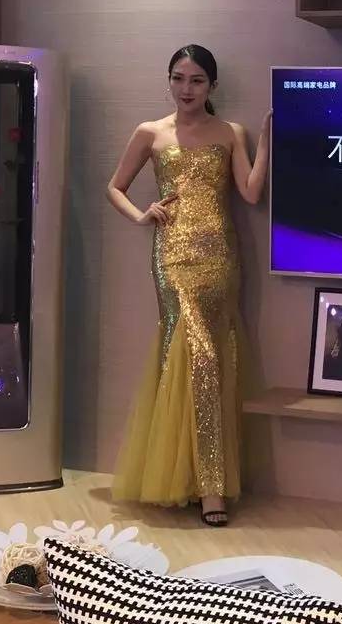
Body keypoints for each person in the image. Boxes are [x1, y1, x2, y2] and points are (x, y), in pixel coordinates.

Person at [107, 44, 270, 526]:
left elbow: (250, 193)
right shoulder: (150, 132)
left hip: (219, 257)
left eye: (197, 80)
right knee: (192, 356)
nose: (186, 88)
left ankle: (196, 478)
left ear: (212, 86)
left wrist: (267, 142)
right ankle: (207, 487)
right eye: (178, 78)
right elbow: (114, 187)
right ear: (169, 81)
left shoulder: (231, 133)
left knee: (210, 359)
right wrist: (142, 214)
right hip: (172, 258)